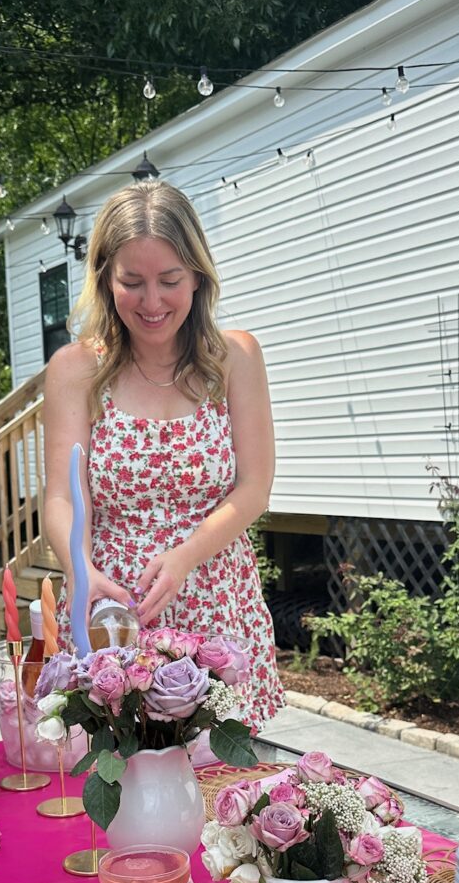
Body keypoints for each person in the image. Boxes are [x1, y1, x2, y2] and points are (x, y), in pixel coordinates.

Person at [42, 180, 285, 729]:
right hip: (113, 611)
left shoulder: (235, 358)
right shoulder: (75, 370)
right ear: (105, 279)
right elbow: (61, 495)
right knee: (117, 784)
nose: (152, 303)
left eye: (170, 280)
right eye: (132, 282)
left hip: (217, 595)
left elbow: (254, 488)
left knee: (218, 788)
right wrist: (79, 570)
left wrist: (185, 556)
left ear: (197, 276)